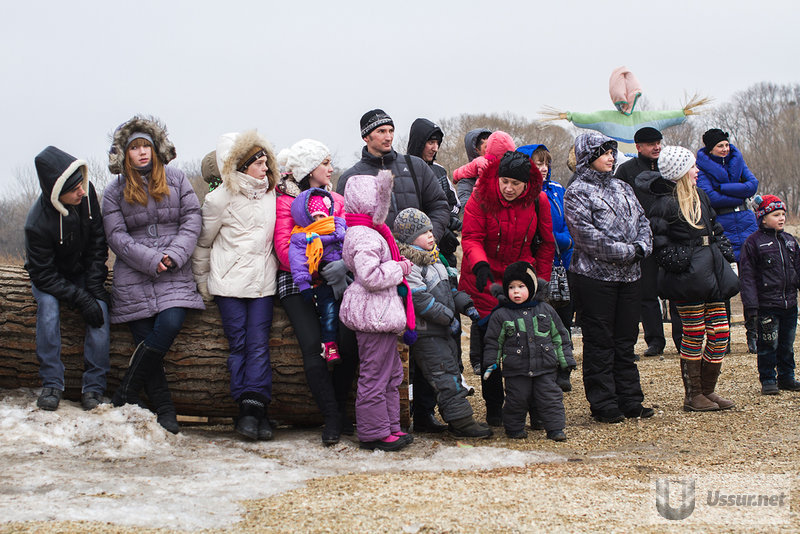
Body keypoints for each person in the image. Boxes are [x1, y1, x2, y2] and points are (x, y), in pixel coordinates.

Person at [336, 109, 450, 434]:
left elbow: (440, 205)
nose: (388, 136)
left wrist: (425, 241)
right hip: (378, 273)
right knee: (376, 356)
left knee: (424, 340)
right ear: (366, 136)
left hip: (420, 266)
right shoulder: (352, 177)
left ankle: (425, 412)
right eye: (380, 131)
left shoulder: (415, 167)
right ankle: (369, 421)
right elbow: (345, 224)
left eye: (390, 130)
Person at [103, 116, 204, 434]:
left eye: (146, 146)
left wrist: (173, 255)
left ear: (155, 149)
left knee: (170, 324)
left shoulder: (177, 179)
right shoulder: (113, 191)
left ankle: (126, 391)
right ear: (126, 154)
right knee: (145, 339)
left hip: (174, 270)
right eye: (135, 148)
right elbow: (116, 237)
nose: (142, 152)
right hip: (134, 275)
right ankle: (165, 409)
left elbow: (192, 219)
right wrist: (150, 259)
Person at [637, 145, 739, 411]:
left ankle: (708, 390)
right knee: (694, 334)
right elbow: (659, 245)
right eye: (692, 167)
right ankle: (693, 395)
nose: (697, 171)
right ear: (680, 171)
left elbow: (716, 228)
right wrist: (684, 262)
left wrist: (726, 254)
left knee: (720, 332)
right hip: (688, 280)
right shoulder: (663, 204)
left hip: (712, 274)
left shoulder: (701, 195)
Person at [193, 130, 278, 440]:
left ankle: (255, 408)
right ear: (242, 166)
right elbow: (203, 244)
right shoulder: (218, 199)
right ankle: (249, 410)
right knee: (239, 344)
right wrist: (202, 282)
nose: (266, 168)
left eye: (266, 161)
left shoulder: (272, 195)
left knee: (258, 344)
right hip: (228, 284)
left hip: (263, 283)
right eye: (259, 163)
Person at [460, 150, 555, 426]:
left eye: (516, 183)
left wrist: (541, 281)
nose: (509, 188)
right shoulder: (480, 196)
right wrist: (480, 265)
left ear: (526, 184)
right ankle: (494, 406)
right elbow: (471, 237)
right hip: (485, 279)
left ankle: (528, 406)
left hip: (520, 277)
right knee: (490, 346)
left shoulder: (538, 200)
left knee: (525, 344)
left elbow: (546, 243)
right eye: (505, 181)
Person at [563, 132, 653, 423]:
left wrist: (642, 246)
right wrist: (627, 251)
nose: (611, 157)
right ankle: (604, 403)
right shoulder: (577, 191)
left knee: (626, 341)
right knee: (600, 342)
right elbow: (586, 236)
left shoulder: (623, 186)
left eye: (612, 152)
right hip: (595, 279)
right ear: (589, 156)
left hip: (630, 277)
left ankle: (630, 400)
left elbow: (643, 221)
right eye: (604, 152)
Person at [275, 139, 357, 446]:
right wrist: (318, 266)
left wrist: (343, 264)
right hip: (296, 280)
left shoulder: (336, 199)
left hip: (336, 278)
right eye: (325, 163)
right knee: (312, 347)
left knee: (348, 341)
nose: (331, 168)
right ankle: (332, 417)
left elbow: (348, 237)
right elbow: (284, 248)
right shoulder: (286, 201)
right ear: (310, 170)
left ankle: (339, 406)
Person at [24, 146, 110, 411]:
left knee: (100, 309)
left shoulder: (87, 194)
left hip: (82, 271)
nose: (81, 191)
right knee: (49, 309)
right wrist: (80, 298)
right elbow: (43, 275)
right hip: (50, 278)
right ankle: (52, 383)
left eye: (81, 184)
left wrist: (94, 284)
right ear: (56, 193)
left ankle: (94, 386)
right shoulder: (37, 224)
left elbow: (98, 241)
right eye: (74, 190)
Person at [393, 208, 492, 438]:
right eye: (423, 232)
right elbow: (419, 299)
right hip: (427, 332)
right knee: (444, 375)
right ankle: (461, 422)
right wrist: (448, 318)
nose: (431, 235)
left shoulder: (435, 259)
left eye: (430, 230)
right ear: (409, 238)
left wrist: (467, 306)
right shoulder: (409, 264)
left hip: (443, 330)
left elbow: (449, 290)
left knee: (449, 371)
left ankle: (426, 419)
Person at [340, 170, 415, 451]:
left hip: (380, 313)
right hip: (374, 315)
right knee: (375, 376)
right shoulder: (365, 236)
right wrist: (400, 267)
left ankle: (390, 425)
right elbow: (370, 276)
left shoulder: (369, 233)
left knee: (391, 374)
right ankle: (374, 433)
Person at [483, 262, 574, 441]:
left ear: (532, 287)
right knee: (516, 399)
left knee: (550, 397)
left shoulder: (546, 309)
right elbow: (493, 341)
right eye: (511, 287)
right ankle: (514, 428)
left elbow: (560, 336)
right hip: (516, 369)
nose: (516, 291)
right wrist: (491, 362)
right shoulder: (501, 315)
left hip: (545, 367)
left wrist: (566, 361)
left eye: (521, 286)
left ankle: (555, 428)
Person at [615, 127, 678, 357]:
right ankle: (655, 341)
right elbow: (619, 202)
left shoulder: (668, 166)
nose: (657, 147)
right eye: (651, 144)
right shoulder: (626, 170)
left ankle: (683, 340)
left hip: (672, 237)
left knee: (676, 291)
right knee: (647, 293)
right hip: (643, 238)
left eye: (659, 143)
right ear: (638, 147)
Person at [516, 143, 574, 392]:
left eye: (546, 163)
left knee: (563, 320)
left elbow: (568, 220)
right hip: (536, 265)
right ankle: (544, 371)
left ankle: (564, 368)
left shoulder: (557, 189)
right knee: (540, 323)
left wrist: (567, 239)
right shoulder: (522, 193)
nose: (543, 168)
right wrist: (557, 238)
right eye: (538, 162)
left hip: (562, 263)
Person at [696, 128, 759, 353]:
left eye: (726, 145)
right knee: (724, 283)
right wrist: (739, 192)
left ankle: (754, 333)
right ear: (710, 149)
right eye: (720, 146)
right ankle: (724, 338)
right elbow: (710, 197)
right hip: (722, 226)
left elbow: (752, 185)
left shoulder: (737, 160)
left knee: (752, 282)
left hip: (747, 223)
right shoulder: (702, 167)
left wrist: (723, 187)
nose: (725, 149)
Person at [739, 195, 800, 395]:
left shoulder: (790, 241)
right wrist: (751, 306)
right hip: (767, 306)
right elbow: (747, 278)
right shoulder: (753, 243)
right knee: (768, 344)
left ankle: (787, 377)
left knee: (787, 344)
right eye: (776, 215)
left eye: (783, 214)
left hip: (789, 304)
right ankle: (767, 379)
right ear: (763, 218)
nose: (781, 218)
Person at [288, 187, 346, 368]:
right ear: (307, 218)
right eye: (315, 217)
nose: (320, 221)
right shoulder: (302, 237)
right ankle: (329, 345)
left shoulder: (338, 227)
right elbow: (298, 263)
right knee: (329, 313)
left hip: (344, 277)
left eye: (323, 216)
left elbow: (351, 246)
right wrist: (304, 285)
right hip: (322, 281)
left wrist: (347, 265)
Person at [407, 118, 461, 267]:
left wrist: (449, 221)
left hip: (444, 250)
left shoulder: (440, 170)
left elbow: (454, 204)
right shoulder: (403, 170)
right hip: (414, 251)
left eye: (437, 143)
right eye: (431, 142)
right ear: (419, 142)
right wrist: (435, 231)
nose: (435, 148)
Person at [454, 128, 491, 209]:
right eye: (487, 147)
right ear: (476, 150)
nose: (491, 150)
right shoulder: (466, 181)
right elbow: (466, 207)